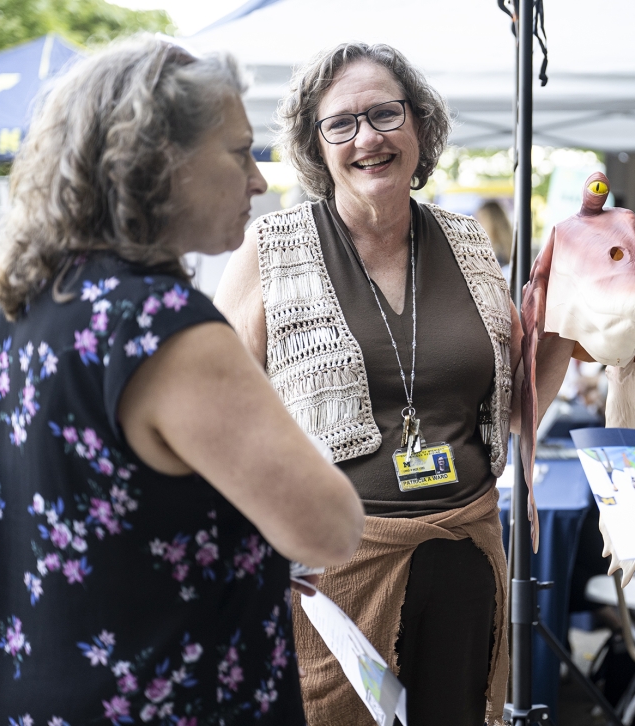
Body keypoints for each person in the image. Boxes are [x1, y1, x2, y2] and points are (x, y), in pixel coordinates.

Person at [0, 36, 364, 723]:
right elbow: (328, 527)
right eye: (239, 152)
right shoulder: (160, 326)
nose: (259, 179)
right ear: (155, 160)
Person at [214, 43, 572, 726]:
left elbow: (516, 413)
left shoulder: (469, 245)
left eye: (385, 114)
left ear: (419, 125)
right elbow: (221, 423)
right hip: (334, 572)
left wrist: (578, 314)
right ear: (316, 147)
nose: (368, 138)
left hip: (466, 553)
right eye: (342, 124)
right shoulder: (272, 249)